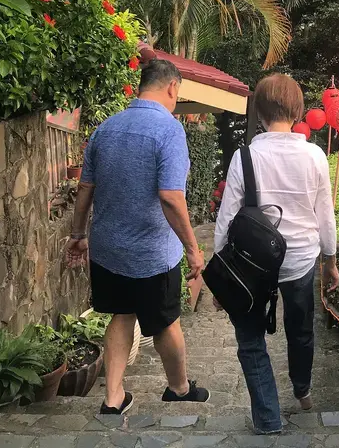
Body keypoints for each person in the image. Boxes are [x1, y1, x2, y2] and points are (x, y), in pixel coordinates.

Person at [66, 59, 210, 415]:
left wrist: (78, 234)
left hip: (108, 249)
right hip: (152, 252)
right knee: (164, 324)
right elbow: (172, 197)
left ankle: (113, 397)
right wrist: (193, 250)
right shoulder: (169, 130)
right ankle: (178, 388)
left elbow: (86, 186)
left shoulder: (106, 128)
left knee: (121, 314)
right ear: (172, 87)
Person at [214, 73, 339, 434]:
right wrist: (330, 261)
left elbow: (227, 216)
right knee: (300, 329)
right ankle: (302, 390)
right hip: (300, 259)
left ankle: (268, 417)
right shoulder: (314, 154)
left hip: (253, 264)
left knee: (250, 337)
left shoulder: (246, 156)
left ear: (261, 109)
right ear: (298, 109)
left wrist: (222, 274)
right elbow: (324, 214)